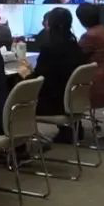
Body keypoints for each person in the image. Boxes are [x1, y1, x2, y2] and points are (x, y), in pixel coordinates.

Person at [18, 8, 85, 143]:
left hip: (53, 103)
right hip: (72, 100)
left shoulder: (49, 48)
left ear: (51, 24)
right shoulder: (74, 45)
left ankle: (20, 143)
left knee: (14, 96)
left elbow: (40, 79)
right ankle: (71, 129)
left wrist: (25, 75)